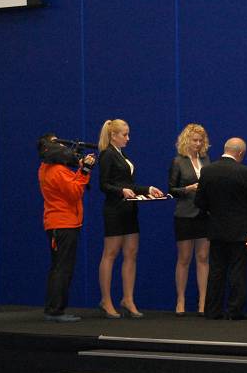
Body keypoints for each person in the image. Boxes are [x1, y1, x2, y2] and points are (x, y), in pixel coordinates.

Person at [97, 119, 165, 319]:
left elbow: (129, 185)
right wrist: (121, 191)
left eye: (128, 134)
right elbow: (104, 185)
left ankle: (128, 299)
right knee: (110, 254)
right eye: (125, 134)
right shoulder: (107, 154)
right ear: (113, 136)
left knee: (131, 253)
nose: (128, 138)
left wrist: (148, 189)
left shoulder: (121, 154)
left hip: (129, 210)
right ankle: (106, 300)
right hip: (115, 210)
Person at [194, 138, 247, 320]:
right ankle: (235, 311)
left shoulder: (207, 171)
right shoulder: (245, 172)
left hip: (216, 228)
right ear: (240, 153)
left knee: (216, 270)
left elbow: (199, 201)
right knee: (238, 270)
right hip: (240, 229)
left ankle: (212, 310)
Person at [37, 135, 96, 322]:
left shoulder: (46, 168)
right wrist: (85, 170)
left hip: (58, 223)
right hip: (64, 224)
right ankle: (55, 311)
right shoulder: (57, 171)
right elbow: (75, 192)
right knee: (63, 269)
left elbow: (71, 185)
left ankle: (53, 308)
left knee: (58, 267)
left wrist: (80, 169)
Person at [168, 124, 211, 316]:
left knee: (203, 258)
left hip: (204, 214)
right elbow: (171, 190)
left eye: (201, 140)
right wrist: (188, 189)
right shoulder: (178, 161)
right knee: (184, 258)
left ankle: (203, 300)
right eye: (195, 140)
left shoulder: (206, 160)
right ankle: (181, 299)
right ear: (186, 140)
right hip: (185, 214)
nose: (198, 143)